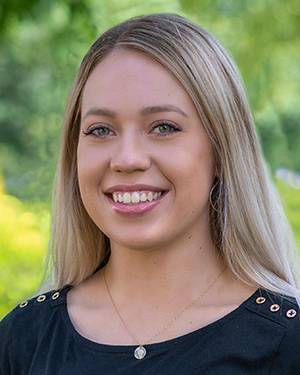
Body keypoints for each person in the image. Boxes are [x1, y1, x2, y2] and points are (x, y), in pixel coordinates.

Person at [1, 13, 300, 374]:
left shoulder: (287, 341)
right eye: (100, 130)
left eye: (163, 127)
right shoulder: (23, 341)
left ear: (222, 151)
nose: (127, 159)